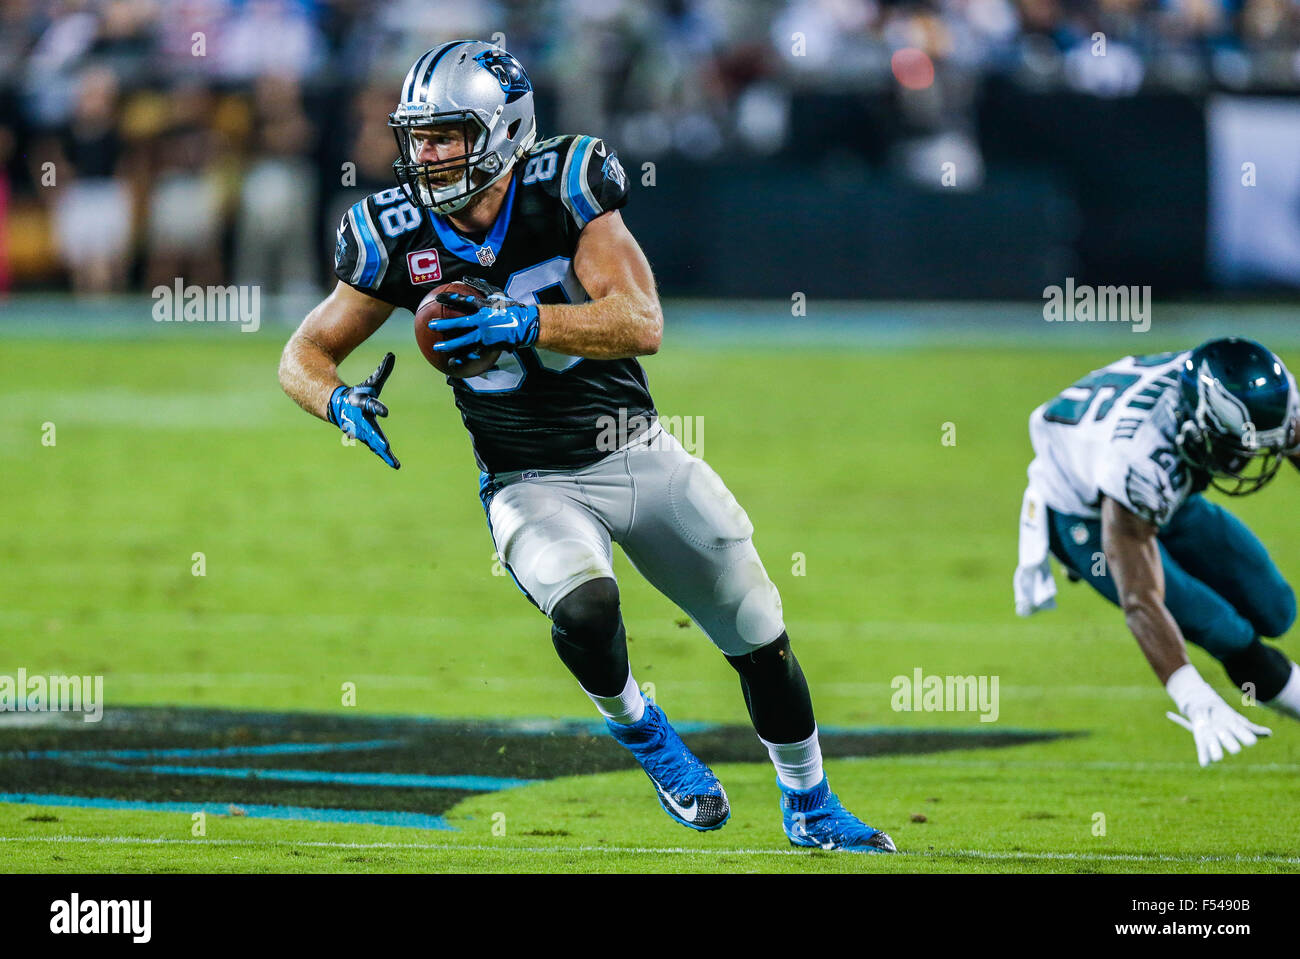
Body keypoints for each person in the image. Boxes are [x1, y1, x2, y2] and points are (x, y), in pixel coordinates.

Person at [278, 40, 895, 852]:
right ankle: (643, 730)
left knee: (757, 629)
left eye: (444, 135)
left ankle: (811, 805)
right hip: (526, 475)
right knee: (585, 604)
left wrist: (525, 319)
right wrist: (339, 400)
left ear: (502, 134)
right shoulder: (392, 233)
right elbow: (303, 354)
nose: (425, 154)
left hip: (632, 448)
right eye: (418, 136)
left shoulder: (565, 186)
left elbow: (643, 321)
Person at [1014, 338, 1300, 766]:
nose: (1249, 462)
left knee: (1276, 608)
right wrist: (1191, 694)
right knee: (1227, 632)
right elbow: (1140, 600)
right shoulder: (1139, 460)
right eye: (1237, 450)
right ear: (1197, 425)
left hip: (1175, 490)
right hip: (1085, 513)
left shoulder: (1266, 395)